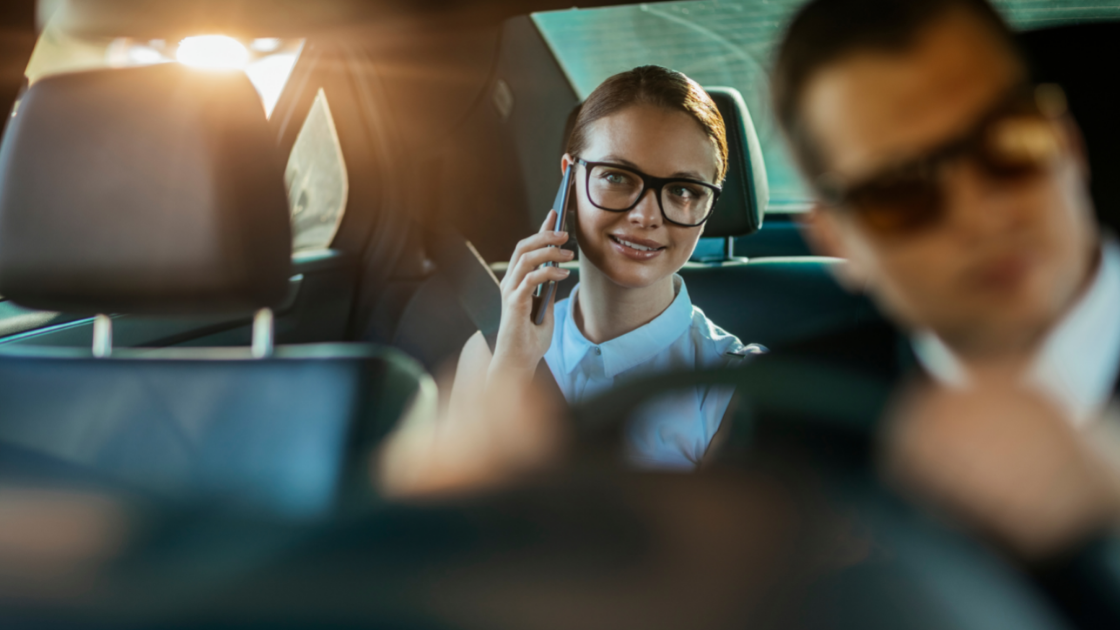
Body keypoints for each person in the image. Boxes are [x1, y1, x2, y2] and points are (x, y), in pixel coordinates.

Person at [450, 65, 751, 471]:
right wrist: (513, 368)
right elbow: (454, 526)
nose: (646, 215)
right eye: (617, 176)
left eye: (683, 190)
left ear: (708, 207)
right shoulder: (490, 354)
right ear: (569, 180)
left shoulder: (740, 385)